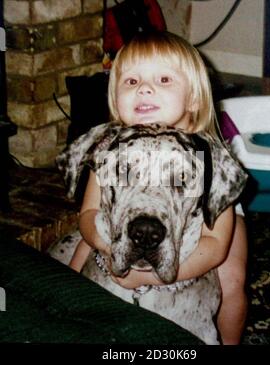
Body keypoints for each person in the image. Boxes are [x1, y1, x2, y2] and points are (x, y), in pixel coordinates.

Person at [67, 31, 248, 345]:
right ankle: (62, 314)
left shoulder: (206, 155)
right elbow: (89, 213)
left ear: (193, 98)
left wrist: (154, 273)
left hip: (212, 216)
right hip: (125, 213)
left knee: (232, 279)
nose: (145, 89)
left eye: (163, 79)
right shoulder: (111, 146)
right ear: (115, 98)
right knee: (78, 261)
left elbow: (215, 244)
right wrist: (108, 247)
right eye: (132, 82)